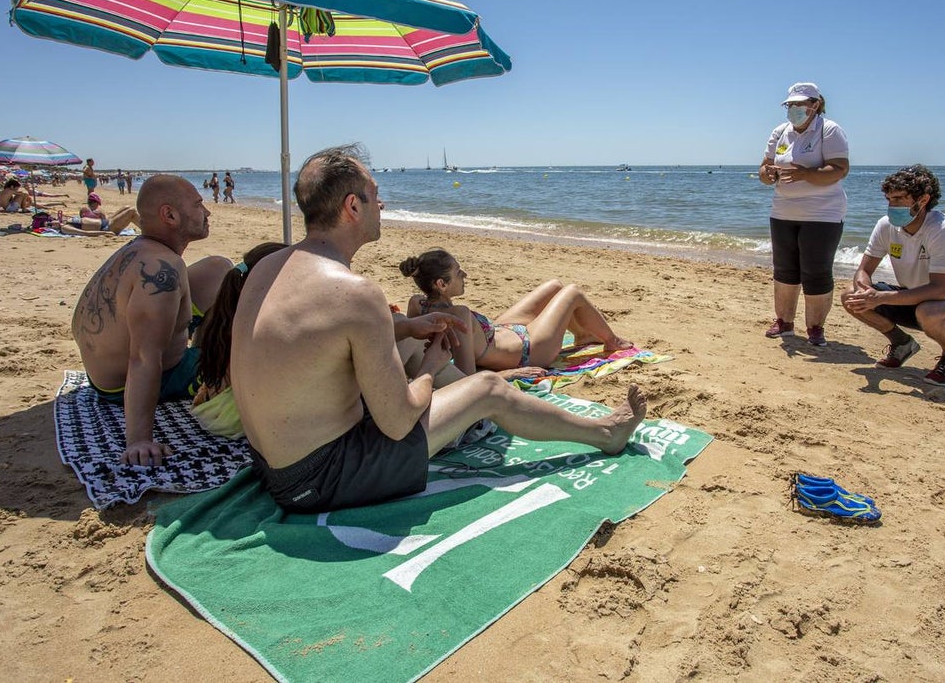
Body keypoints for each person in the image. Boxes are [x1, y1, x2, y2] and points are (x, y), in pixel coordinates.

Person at [231, 144, 647, 512]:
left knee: (407, 351)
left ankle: (469, 402)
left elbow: (315, 340)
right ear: (353, 207)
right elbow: (397, 423)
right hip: (323, 479)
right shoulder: (354, 293)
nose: (383, 205)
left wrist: (407, 328)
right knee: (488, 388)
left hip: (273, 467)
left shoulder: (269, 267)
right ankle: (605, 433)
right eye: (376, 194)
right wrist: (430, 368)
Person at [192, 242, 468, 438]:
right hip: (251, 420)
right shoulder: (266, 327)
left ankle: (461, 390)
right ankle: (464, 393)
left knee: (387, 337)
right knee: (398, 345)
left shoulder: (234, 316)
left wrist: (403, 326)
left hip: (226, 414)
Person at [71, 175, 232, 465]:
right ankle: (202, 361)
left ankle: (201, 349)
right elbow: (143, 358)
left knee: (221, 269)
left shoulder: (142, 250)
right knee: (244, 361)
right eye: (198, 205)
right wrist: (139, 440)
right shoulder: (162, 269)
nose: (207, 212)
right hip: (123, 385)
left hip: (107, 367)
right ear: (170, 215)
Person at [841, 165, 945, 386]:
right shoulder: (886, 225)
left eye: (899, 199)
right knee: (850, 295)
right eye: (889, 199)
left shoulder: (942, 229)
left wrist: (881, 298)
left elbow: (939, 290)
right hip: (911, 299)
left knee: (929, 311)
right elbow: (864, 271)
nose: (892, 206)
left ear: (923, 200)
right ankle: (902, 343)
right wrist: (864, 291)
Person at [401, 248, 633, 378]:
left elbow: (415, 355)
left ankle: (583, 336)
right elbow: (467, 378)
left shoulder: (417, 305)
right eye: (458, 272)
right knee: (572, 293)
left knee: (555, 286)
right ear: (441, 284)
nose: (465, 276)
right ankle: (611, 341)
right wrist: (510, 374)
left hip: (501, 332)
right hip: (528, 351)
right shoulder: (458, 315)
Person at [757, 81, 851, 347]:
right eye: (790, 105)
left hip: (822, 213)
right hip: (783, 210)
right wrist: (768, 174)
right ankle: (784, 322)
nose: (794, 109)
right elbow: (764, 168)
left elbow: (840, 169)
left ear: (815, 105)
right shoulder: (780, 132)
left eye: (800, 104)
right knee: (785, 269)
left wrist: (805, 174)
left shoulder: (828, 130)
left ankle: (815, 328)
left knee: (816, 271)